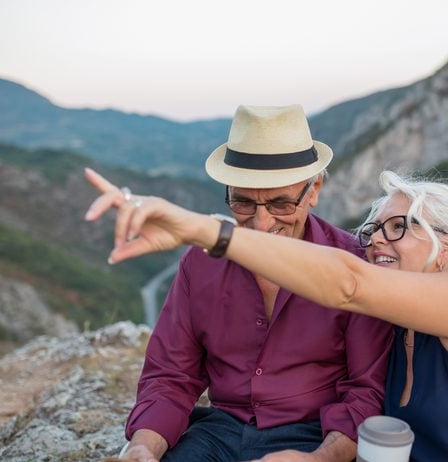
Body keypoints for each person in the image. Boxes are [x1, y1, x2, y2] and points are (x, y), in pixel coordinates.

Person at [85, 169, 448, 459]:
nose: (377, 242)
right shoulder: (402, 326)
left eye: (399, 227)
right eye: (372, 229)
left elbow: (349, 284)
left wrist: (205, 231)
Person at [88, 105, 393, 462]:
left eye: (280, 204)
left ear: (314, 190)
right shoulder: (200, 263)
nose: (261, 224)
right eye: (243, 203)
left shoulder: (354, 263)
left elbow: (366, 393)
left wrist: (318, 459)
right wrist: (142, 447)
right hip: (219, 432)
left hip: (315, 436)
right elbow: (171, 376)